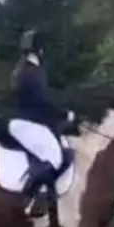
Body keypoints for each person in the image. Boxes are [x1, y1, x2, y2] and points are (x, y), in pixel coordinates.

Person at [9, 28, 74, 217]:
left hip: (30, 122)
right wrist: (64, 114)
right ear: (39, 50)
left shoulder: (29, 70)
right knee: (55, 156)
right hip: (29, 123)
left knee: (62, 151)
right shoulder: (30, 72)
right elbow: (42, 101)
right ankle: (34, 197)